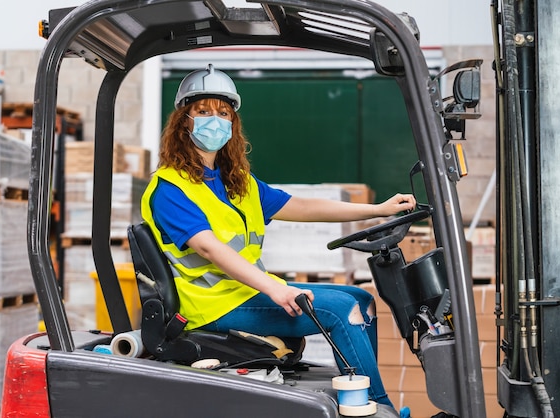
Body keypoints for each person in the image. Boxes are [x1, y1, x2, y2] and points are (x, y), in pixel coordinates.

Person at [140, 64, 416, 411]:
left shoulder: (234, 181)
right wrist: (276, 288)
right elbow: (208, 247)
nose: (215, 119)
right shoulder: (171, 187)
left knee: (361, 299)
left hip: (244, 293)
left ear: (233, 123)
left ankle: (360, 397)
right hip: (213, 307)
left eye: (223, 113)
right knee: (342, 311)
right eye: (203, 111)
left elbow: (301, 206)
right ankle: (376, 406)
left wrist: (378, 209)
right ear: (184, 121)